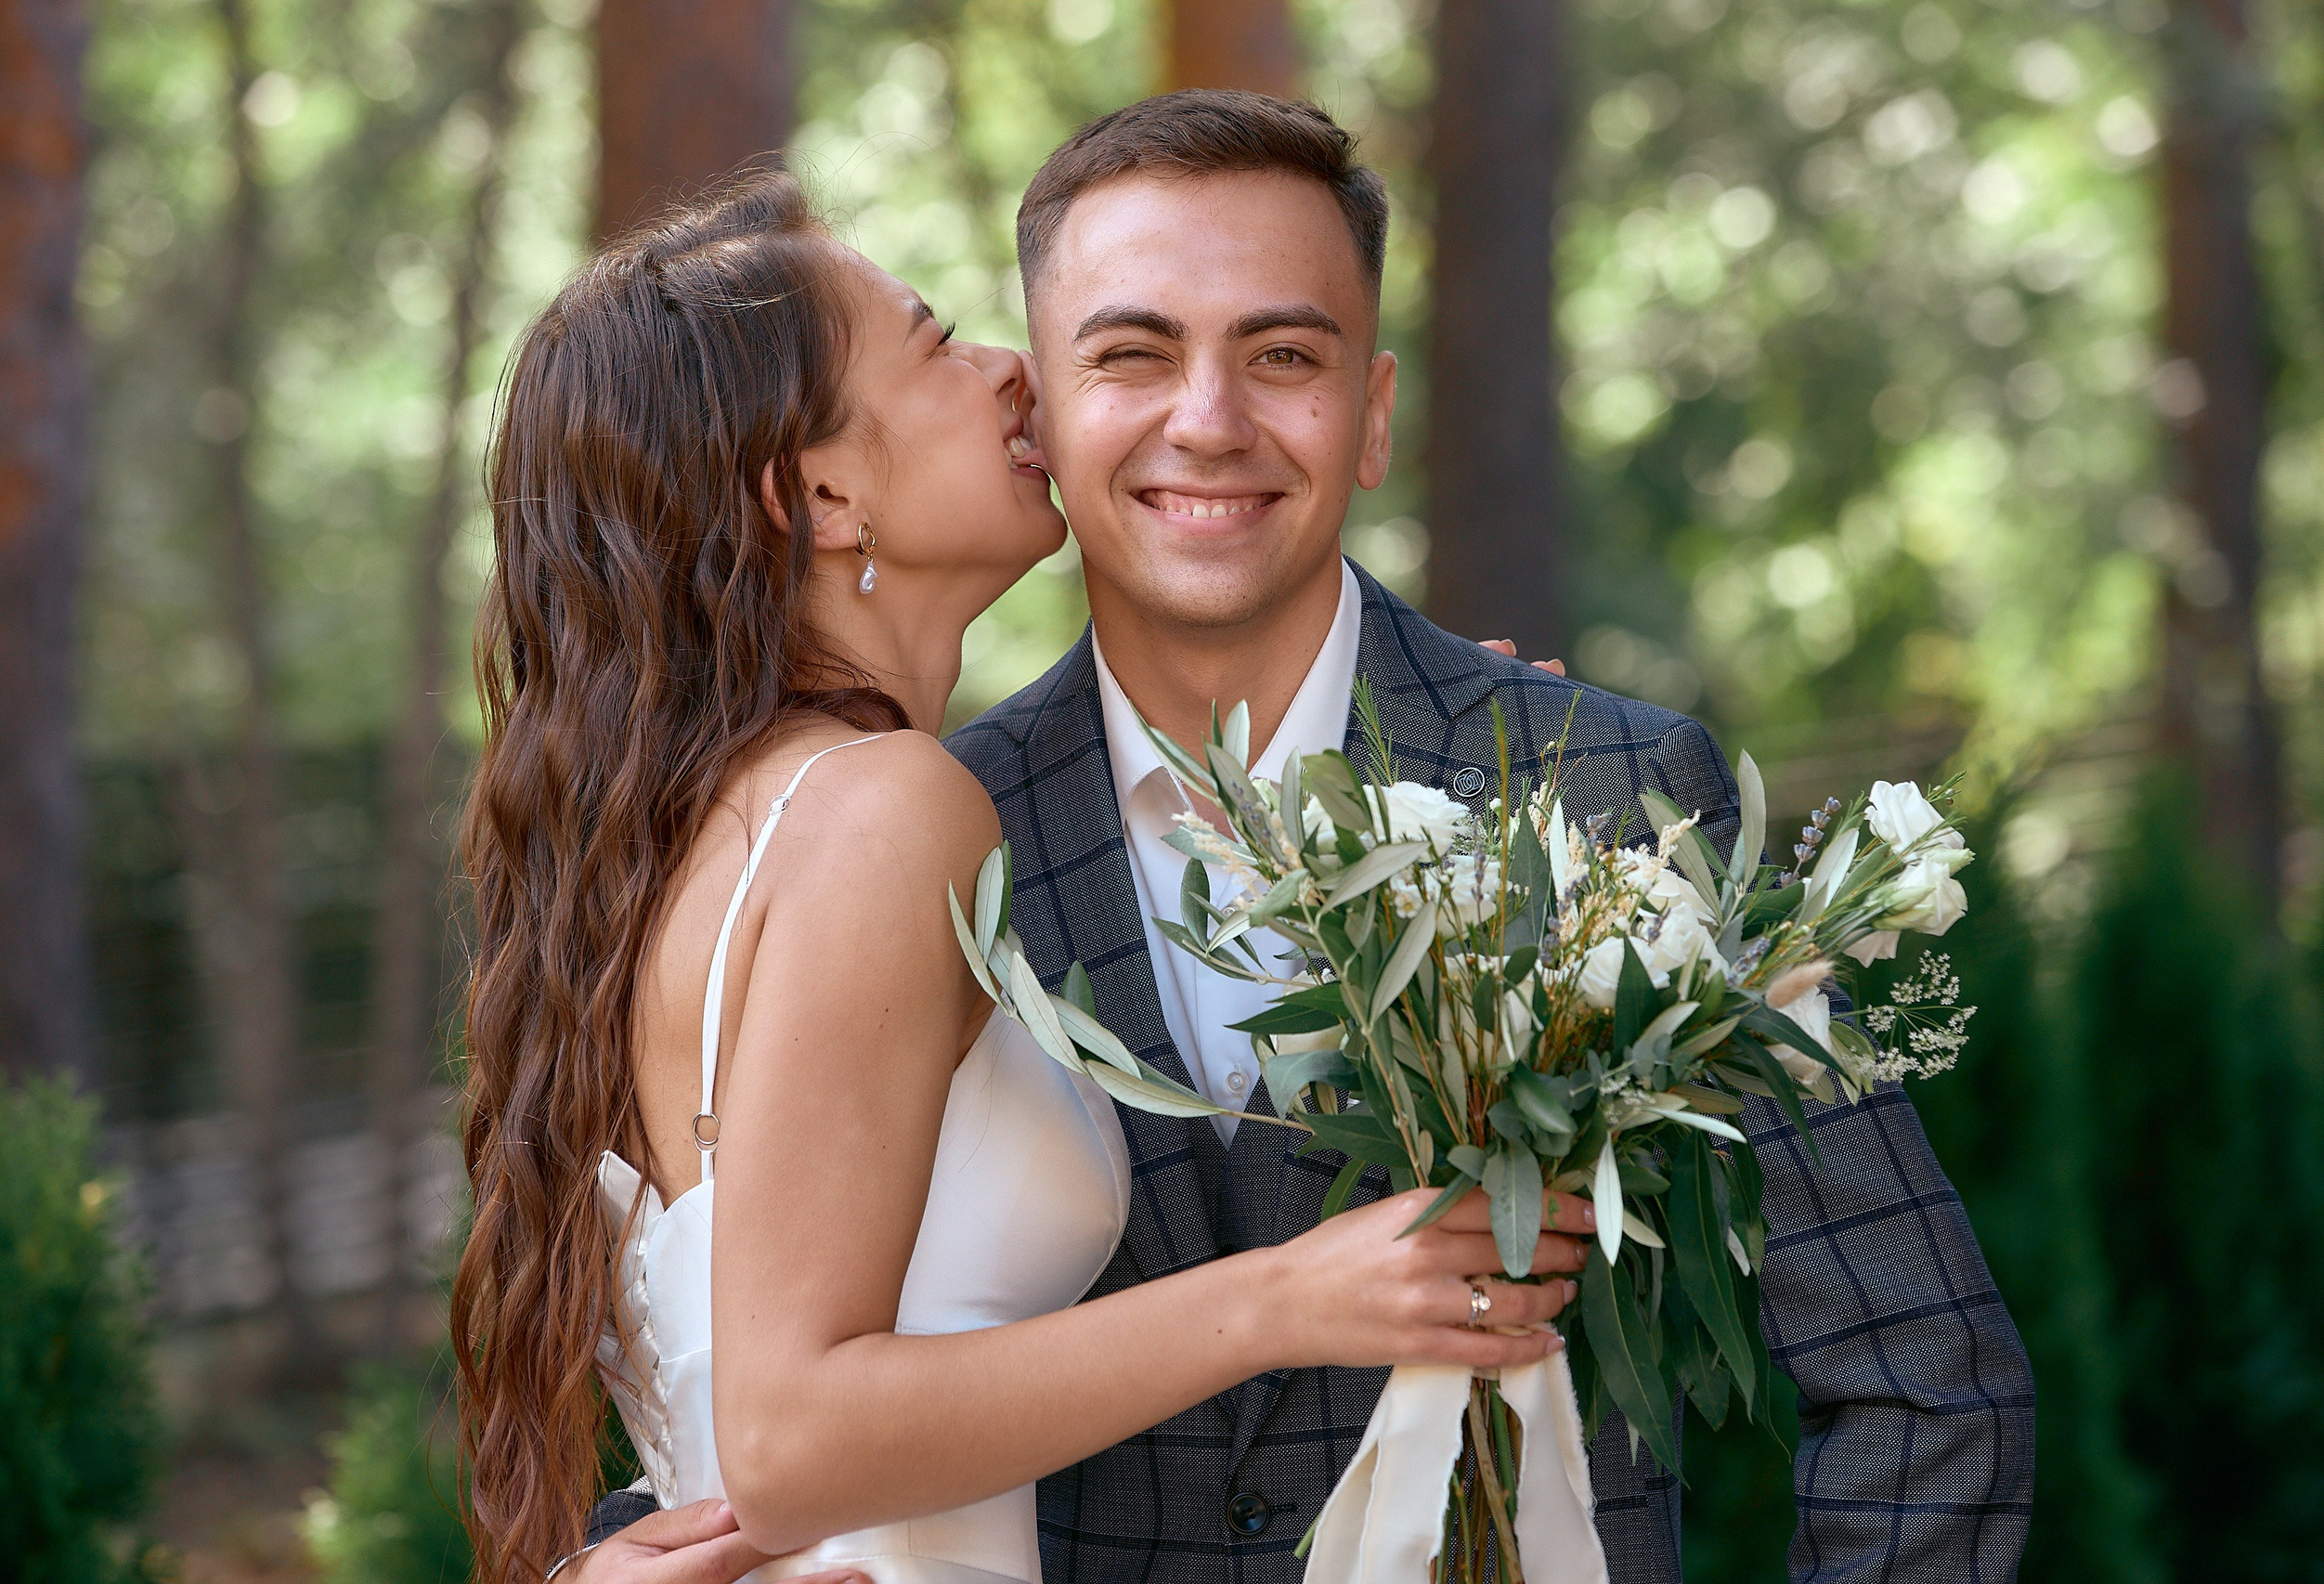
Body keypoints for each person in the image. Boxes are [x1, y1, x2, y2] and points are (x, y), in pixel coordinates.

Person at [567, 91, 2037, 1584]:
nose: (1209, 418)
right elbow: (755, 1361)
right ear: (1048, 420)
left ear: (1375, 414)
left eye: (1282, 355)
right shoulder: (918, 828)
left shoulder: (1610, 793)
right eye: (1132, 354)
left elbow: (1925, 1375)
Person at [449, 170, 1602, 1584]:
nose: (1013, 370)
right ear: (819, 491)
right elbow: (789, 1434)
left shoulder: (724, 827)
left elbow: (712, 1374)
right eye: (937, 345)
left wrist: (1434, 737)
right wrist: (1296, 1295)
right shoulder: (882, 812)